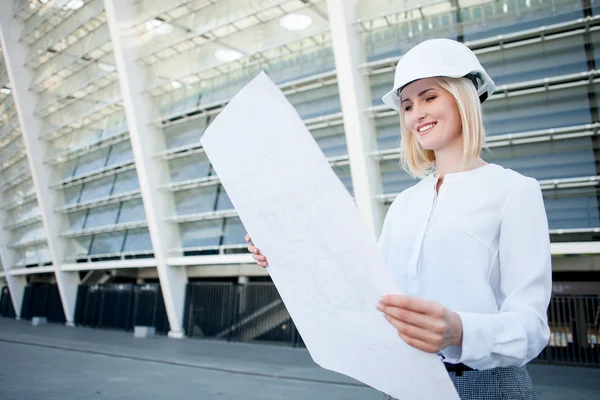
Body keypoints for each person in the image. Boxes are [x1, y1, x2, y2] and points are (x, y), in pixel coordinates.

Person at [245, 38, 552, 399]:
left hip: (487, 387)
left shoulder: (514, 191)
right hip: (408, 385)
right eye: (407, 105)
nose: (416, 113)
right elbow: (371, 293)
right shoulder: (405, 204)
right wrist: (284, 256)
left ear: (464, 96)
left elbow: (531, 327)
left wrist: (461, 332)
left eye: (429, 97)